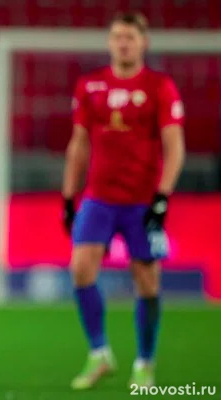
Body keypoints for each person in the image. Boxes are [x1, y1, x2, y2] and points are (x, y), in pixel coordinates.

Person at [62, 11, 185, 390]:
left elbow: (175, 147)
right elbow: (79, 144)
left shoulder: (159, 86)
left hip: (142, 201)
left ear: (143, 42)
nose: (123, 43)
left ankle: (145, 363)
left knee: (146, 279)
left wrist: (162, 197)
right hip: (98, 199)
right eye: (117, 37)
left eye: (130, 37)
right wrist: (69, 195)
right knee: (81, 269)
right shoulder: (90, 85)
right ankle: (99, 353)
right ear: (109, 41)